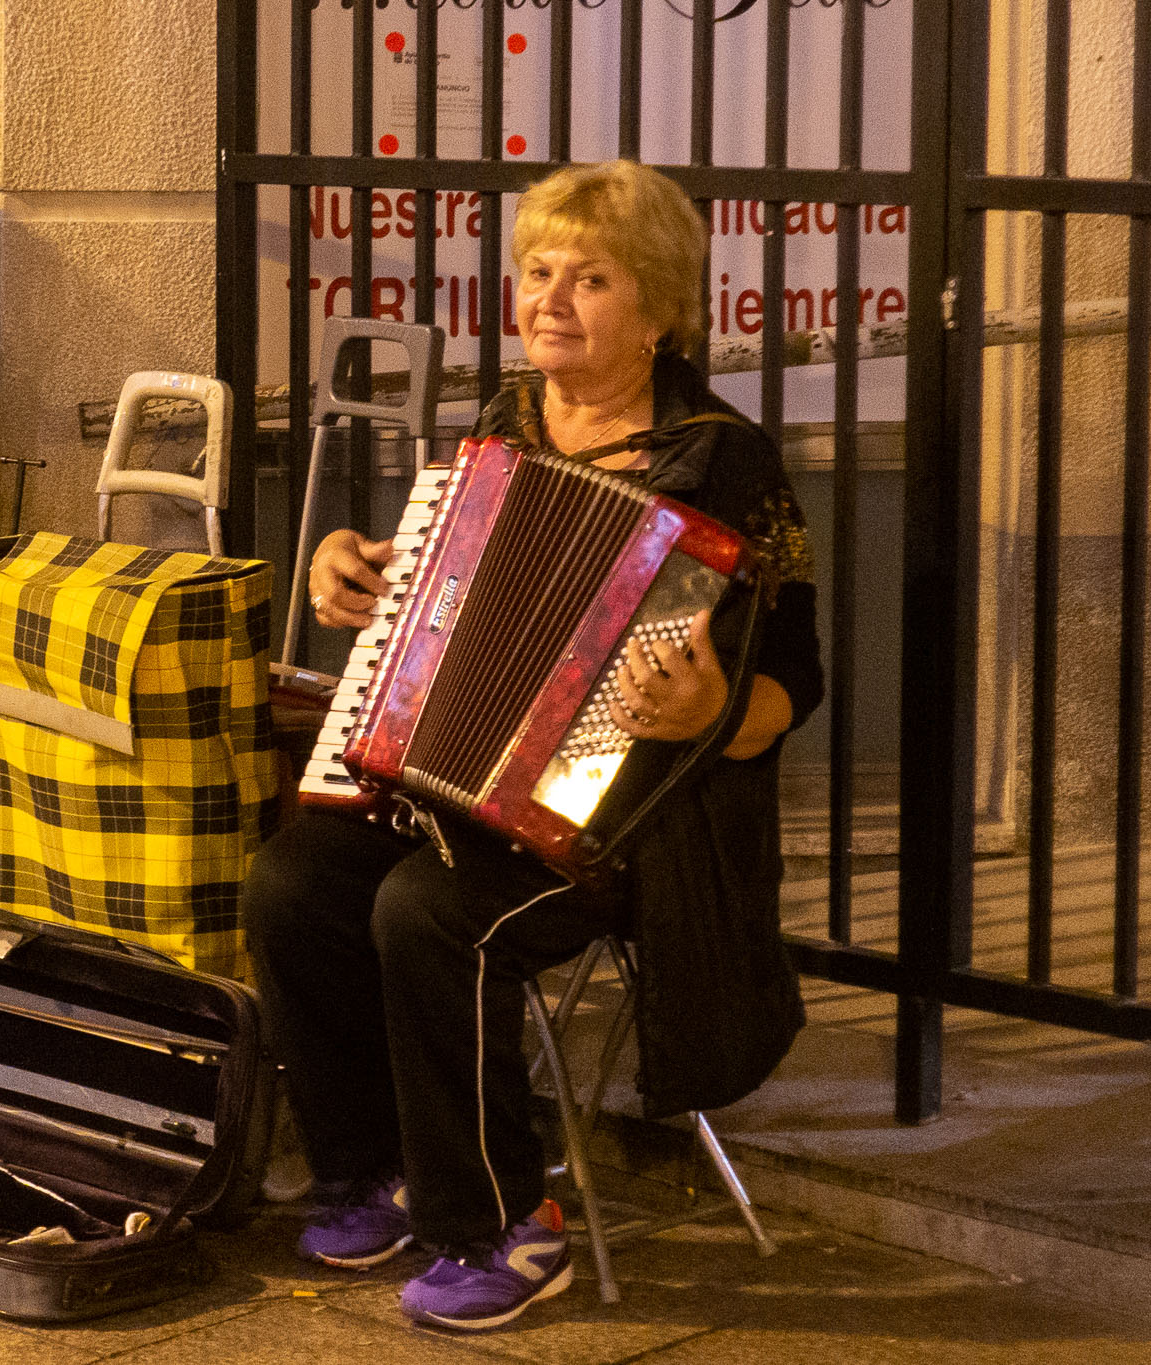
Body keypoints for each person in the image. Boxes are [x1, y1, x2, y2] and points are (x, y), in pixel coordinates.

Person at [244, 160, 823, 1333]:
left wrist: (710, 712)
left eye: (588, 279)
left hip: (622, 825)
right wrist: (357, 574)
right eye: (536, 272)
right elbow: (442, 601)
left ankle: (503, 1226)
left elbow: (794, 685)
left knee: (427, 912)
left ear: (657, 312)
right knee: (291, 883)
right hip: (458, 794)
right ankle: (375, 1171)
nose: (549, 299)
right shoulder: (506, 421)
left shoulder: (721, 463)